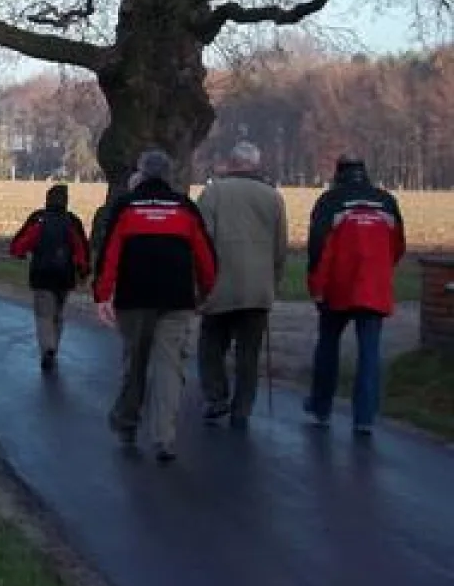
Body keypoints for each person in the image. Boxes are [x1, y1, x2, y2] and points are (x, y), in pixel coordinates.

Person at [93, 150, 217, 462]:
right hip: (176, 299)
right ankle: (164, 436)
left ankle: (128, 423)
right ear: (169, 175)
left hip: (133, 300)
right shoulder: (185, 208)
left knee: (134, 363)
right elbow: (205, 256)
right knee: (169, 367)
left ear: (142, 173)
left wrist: (102, 295)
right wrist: (206, 291)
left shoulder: (126, 207)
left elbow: (109, 255)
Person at [304, 154, 406, 436]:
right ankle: (364, 417)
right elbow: (398, 246)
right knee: (370, 353)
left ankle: (321, 407)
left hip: (338, 287)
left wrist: (316, 286)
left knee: (328, 346)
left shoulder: (331, 201)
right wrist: (381, 270)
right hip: (374, 287)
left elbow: (318, 248)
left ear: (338, 174)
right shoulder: (386, 201)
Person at [196, 141, 288, 429]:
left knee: (211, 346)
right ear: (256, 165)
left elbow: (201, 240)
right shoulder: (273, 197)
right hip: (257, 288)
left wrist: (199, 283)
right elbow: (280, 246)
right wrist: (273, 280)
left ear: (231, 163)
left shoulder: (212, 193)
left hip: (219, 284)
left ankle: (216, 397)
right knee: (249, 353)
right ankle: (243, 408)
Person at [9, 184, 90, 372]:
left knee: (43, 315)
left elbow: (22, 243)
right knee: (58, 314)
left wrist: (19, 252)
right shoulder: (71, 221)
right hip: (65, 275)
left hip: (41, 274)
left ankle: (48, 348)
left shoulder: (39, 219)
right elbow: (80, 248)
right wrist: (83, 270)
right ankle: (54, 347)